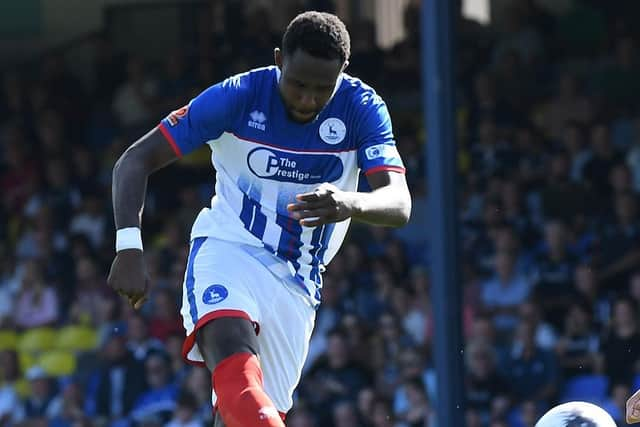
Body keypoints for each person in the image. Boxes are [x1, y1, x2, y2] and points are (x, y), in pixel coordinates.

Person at [107, 11, 411, 427]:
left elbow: (399, 203)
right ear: (278, 60)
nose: (307, 99)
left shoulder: (362, 108)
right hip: (229, 248)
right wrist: (128, 245)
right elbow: (135, 159)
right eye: (298, 84)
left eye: (323, 88)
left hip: (298, 279)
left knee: (245, 415)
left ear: (343, 74)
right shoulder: (237, 96)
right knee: (238, 374)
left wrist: (348, 203)